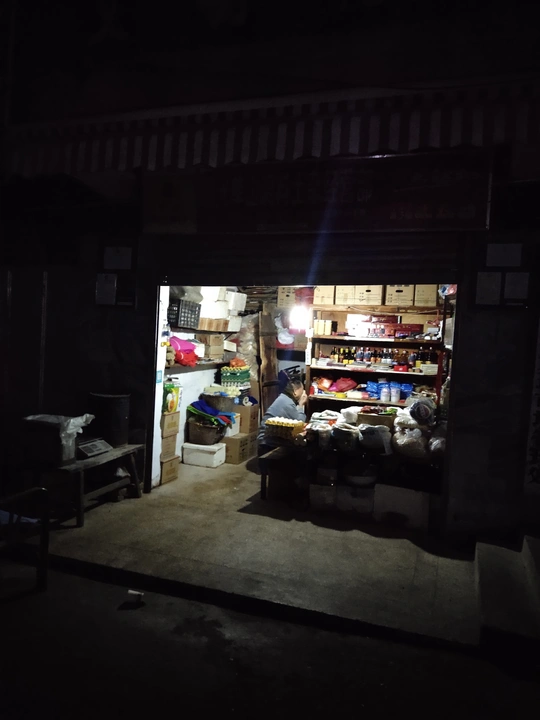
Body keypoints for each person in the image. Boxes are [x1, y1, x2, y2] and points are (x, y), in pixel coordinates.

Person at [257, 376, 307, 456]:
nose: (304, 393)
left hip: (267, 439)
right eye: (302, 390)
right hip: (267, 442)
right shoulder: (288, 403)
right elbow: (299, 425)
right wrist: (301, 404)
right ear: (295, 392)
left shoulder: (283, 398)